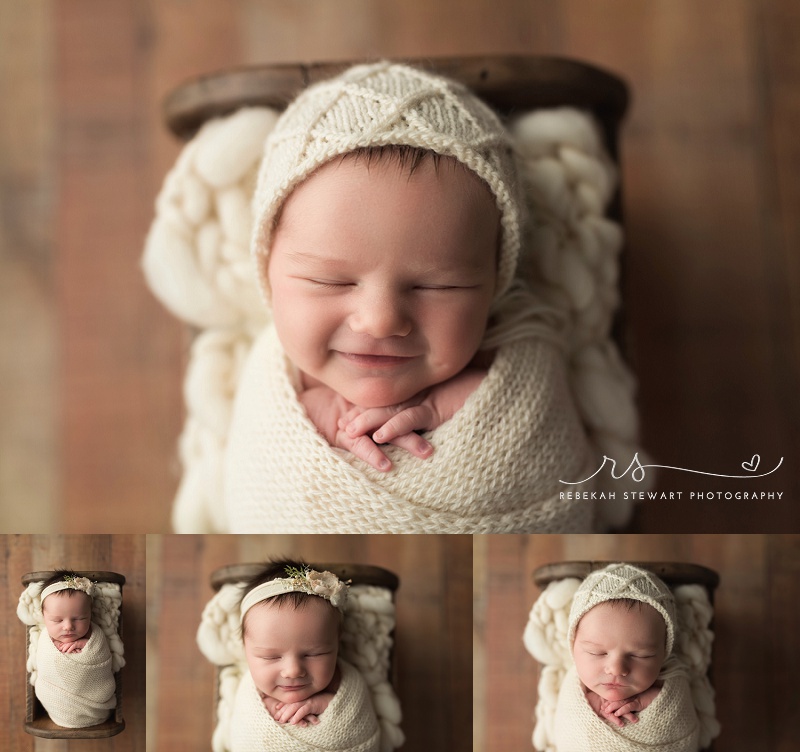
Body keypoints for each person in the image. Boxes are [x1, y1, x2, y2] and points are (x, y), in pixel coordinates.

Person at [224, 61, 594, 532]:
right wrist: (322, 415)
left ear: (494, 284)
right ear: (268, 272)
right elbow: (254, 497)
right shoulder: (272, 387)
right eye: (330, 281)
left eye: (436, 286)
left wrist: (450, 404)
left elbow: (554, 476)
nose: (380, 320)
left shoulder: (516, 371)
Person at [231, 561, 379, 750]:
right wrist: (268, 704)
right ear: (245, 648)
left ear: (337, 643)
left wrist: (325, 703)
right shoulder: (249, 697)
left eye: (314, 654)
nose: (293, 671)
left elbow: (358, 722)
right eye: (270, 657)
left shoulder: (344, 682)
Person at [554, 563, 700, 751]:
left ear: (663, 653)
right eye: (596, 652)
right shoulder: (573, 693)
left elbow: (681, 719)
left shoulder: (670, 689)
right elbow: (566, 732)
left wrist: (650, 700)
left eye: (640, 655)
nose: (616, 669)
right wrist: (593, 704)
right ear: (573, 646)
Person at [34, 571, 117, 727]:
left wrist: (89, 648)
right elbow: (44, 667)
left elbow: (103, 661)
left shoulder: (96, 636)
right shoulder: (45, 641)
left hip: (95, 704)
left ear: (90, 615)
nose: (68, 627)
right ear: (44, 616)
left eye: (80, 618)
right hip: (58, 704)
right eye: (56, 620)